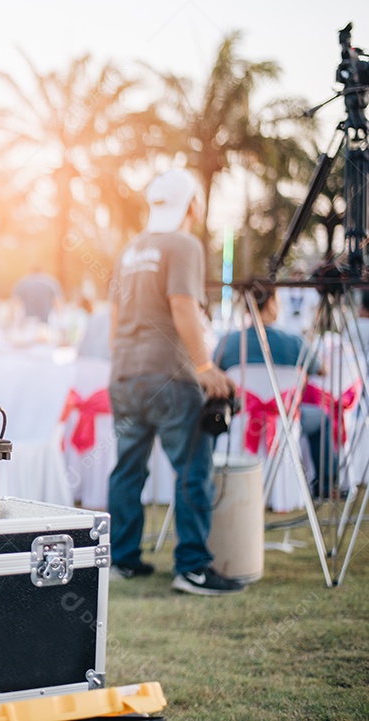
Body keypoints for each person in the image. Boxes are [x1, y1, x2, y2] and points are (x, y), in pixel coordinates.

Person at [107, 168, 243, 596]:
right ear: (192, 205)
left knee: (128, 470)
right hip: (170, 376)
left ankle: (123, 560)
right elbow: (182, 306)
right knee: (191, 470)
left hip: (125, 374)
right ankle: (192, 568)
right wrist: (204, 368)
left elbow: (113, 316)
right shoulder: (182, 244)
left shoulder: (131, 248)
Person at [214, 287, 335, 492]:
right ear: (270, 302)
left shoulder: (230, 341)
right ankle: (327, 485)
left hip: (240, 418)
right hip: (284, 421)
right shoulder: (294, 341)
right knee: (322, 419)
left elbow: (214, 374)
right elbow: (323, 370)